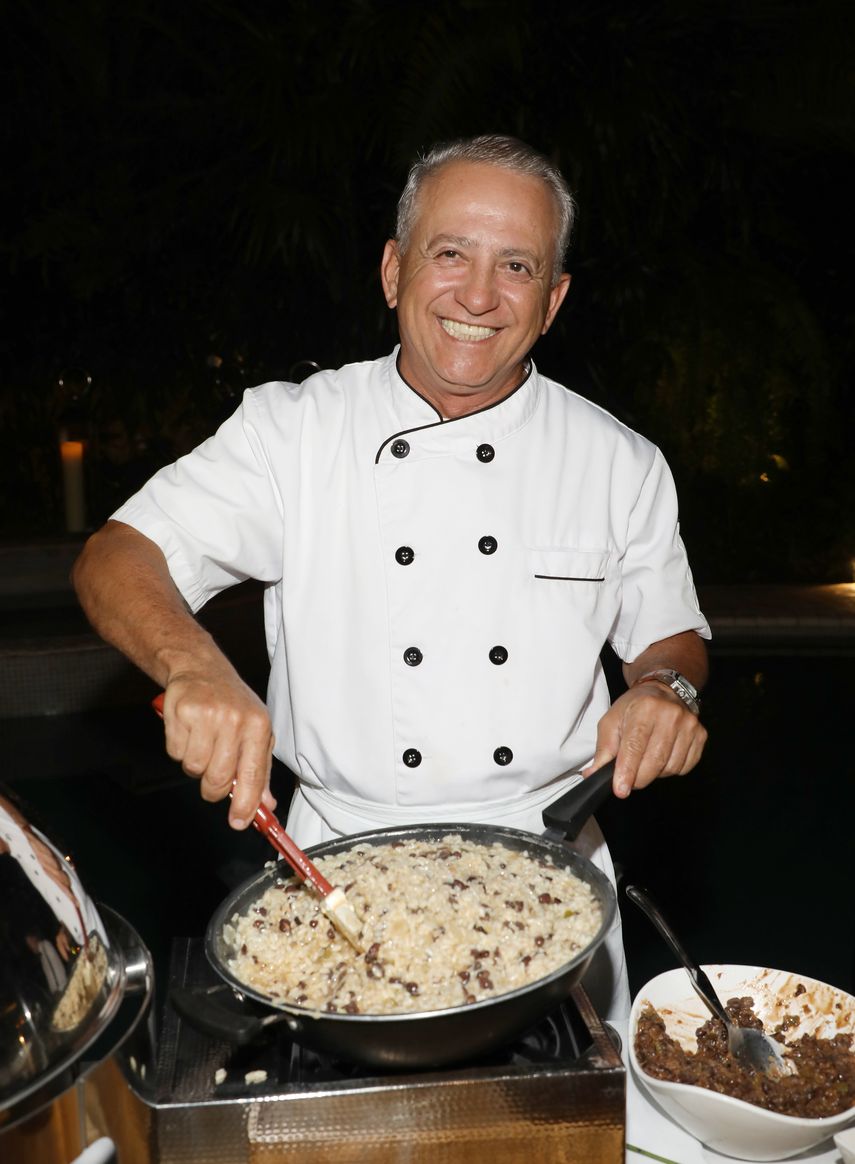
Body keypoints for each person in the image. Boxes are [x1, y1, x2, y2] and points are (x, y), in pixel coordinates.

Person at [72, 134, 710, 1020]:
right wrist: (195, 666)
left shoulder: (620, 462)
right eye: (449, 254)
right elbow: (114, 555)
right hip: (335, 869)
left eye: (516, 266)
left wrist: (666, 690)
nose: (478, 296)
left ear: (553, 300)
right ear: (392, 270)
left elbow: (668, 636)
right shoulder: (294, 433)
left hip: (551, 867)